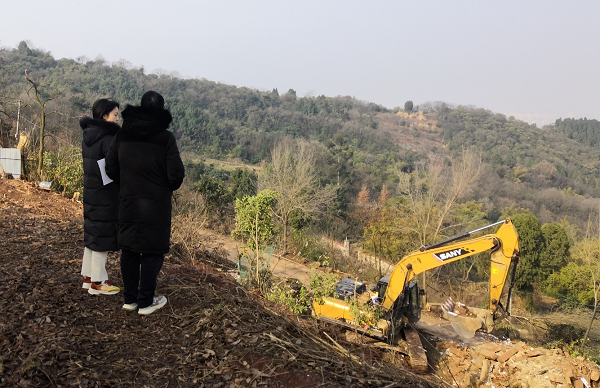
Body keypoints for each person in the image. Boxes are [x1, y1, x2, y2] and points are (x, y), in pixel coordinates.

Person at [105, 91, 184, 315]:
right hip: (156, 206)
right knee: (151, 251)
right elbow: (176, 175)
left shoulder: (122, 135)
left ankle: (130, 299)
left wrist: (126, 185)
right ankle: (146, 302)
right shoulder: (166, 138)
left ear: (140, 107)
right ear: (161, 110)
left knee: (129, 250)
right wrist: (163, 187)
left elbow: (110, 168)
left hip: (128, 200)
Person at [80, 98, 121, 295]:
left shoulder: (89, 136)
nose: (118, 118)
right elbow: (114, 169)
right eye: (115, 115)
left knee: (92, 235)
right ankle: (98, 282)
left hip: (91, 190)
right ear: (104, 116)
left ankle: (88, 277)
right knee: (101, 238)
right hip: (105, 194)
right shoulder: (108, 139)